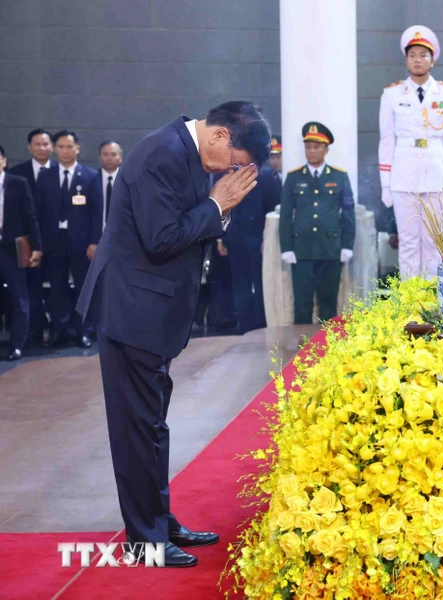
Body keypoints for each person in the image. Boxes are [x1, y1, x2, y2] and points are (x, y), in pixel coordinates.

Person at [76, 101, 270, 567]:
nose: (234, 174)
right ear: (222, 136)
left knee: (152, 425)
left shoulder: (193, 152)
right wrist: (217, 203)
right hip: (131, 311)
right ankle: (144, 542)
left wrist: (216, 206)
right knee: (135, 429)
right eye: (239, 163)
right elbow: (162, 238)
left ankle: (158, 521)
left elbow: (190, 226)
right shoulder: (158, 155)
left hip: (153, 312)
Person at [378, 25, 443, 279]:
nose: (417, 59)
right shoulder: (392, 94)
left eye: (423, 55)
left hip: (437, 176)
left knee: (435, 243)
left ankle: (433, 303)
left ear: (432, 60)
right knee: (409, 242)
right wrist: (385, 185)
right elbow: (386, 141)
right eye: (412, 54)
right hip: (403, 177)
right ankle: (411, 303)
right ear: (406, 59)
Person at [279, 122, 355, 324]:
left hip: (330, 249)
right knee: (302, 304)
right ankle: (301, 350)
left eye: (316, 147)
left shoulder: (339, 176)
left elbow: (348, 213)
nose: (311, 151)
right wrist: (286, 247)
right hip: (301, 249)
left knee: (328, 302)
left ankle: (327, 349)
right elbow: (286, 215)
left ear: (326, 149)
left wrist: (347, 245)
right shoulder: (294, 178)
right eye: (308, 147)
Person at [39, 130, 100, 348]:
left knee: (84, 288)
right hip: (54, 242)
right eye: (61, 147)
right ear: (55, 149)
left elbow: (96, 212)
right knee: (57, 289)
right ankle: (59, 332)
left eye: (69, 147)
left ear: (78, 148)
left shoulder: (91, 175)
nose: (65, 151)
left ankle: (84, 331)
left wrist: (94, 241)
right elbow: (39, 212)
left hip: (82, 244)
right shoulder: (45, 176)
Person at [214, 159, 279, 333]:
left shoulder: (263, 175)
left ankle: (261, 323)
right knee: (240, 284)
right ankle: (244, 325)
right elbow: (219, 209)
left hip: (258, 240)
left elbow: (272, 209)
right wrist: (221, 238)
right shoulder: (225, 174)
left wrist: (268, 238)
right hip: (234, 238)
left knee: (260, 283)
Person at [9, 129, 56, 345]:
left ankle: (59, 331)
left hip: (57, 240)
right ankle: (33, 331)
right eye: (37, 144)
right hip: (28, 241)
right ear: (29, 147)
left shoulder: (61, 171)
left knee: (58, 287)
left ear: (51, 146)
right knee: (31, 288)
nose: (41, 148)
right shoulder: (17, 173)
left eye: (45, 144)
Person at [0, 145, 43, 360]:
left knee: (19, 297)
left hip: (11, 249)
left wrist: (37, 247)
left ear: (4, 161)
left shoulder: (18, 183)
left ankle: (17, 345)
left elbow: (30, 216)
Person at [93, 140, 123, 237]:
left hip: (121, 236)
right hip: (96, 238)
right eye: (105, 154)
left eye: (113, 154)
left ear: (120, 157)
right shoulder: (90, 180)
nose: (109, 158)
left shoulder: (128, 181)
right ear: (99, 156)